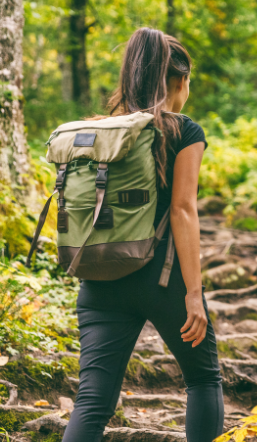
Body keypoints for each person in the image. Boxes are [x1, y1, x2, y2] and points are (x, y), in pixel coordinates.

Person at [61, 28, 223, 442]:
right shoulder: (183, 130)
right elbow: (183, 210)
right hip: (162, 280)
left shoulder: (100, 132)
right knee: (203, 379)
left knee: (92, 400)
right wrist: (193, 294)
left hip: (100, 278)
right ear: (179, 81)